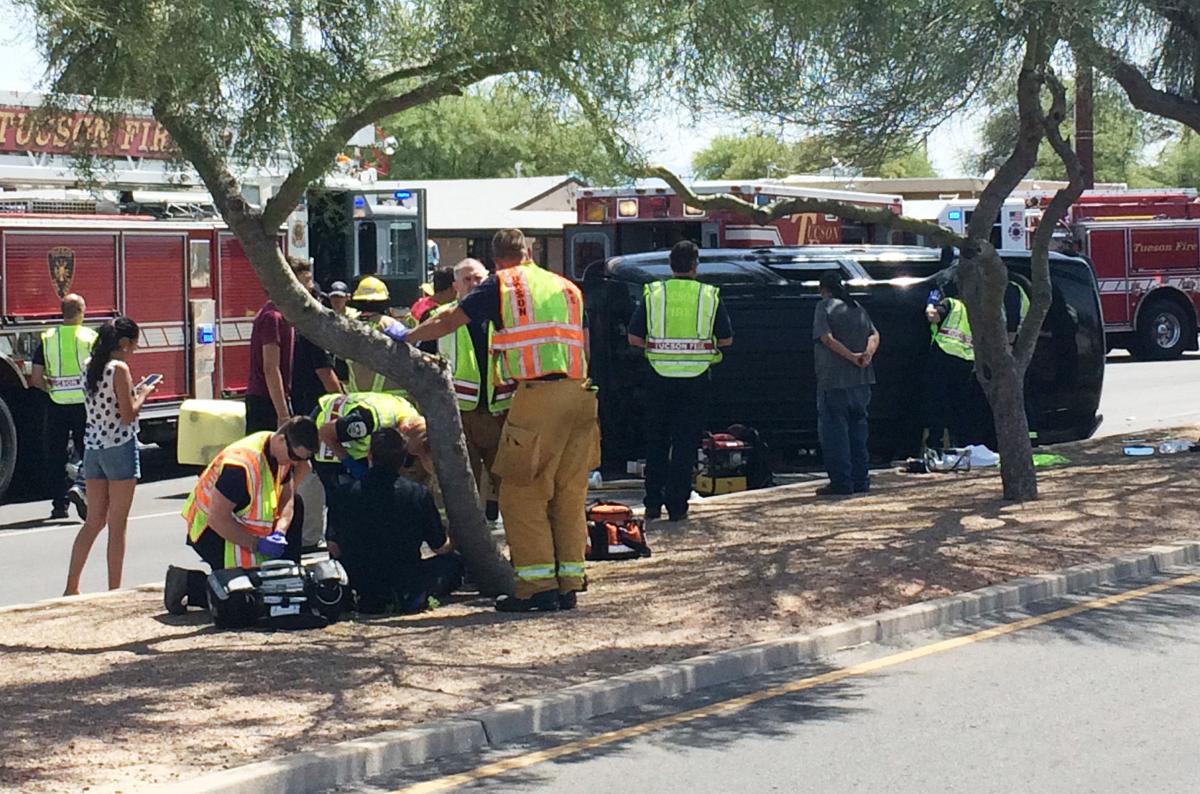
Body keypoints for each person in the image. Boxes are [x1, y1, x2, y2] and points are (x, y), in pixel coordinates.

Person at [399, 228, 597, 613]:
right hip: (581, 393)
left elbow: (447, 322)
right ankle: (569, 581)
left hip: (539, 397)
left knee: (520, 491)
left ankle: (538, 588)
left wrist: (406, 336)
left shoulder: (503, 285)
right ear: (529, 250)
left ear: (495, 260)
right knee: (566, 491)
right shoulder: (566, 287)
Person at [163, 417, 317, 614]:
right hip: (213, 532)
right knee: (241, 598)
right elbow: (218, 519)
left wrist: (280, 531)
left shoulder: (281, 455)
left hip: (249, 529)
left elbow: (288, 499)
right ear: (281, 439)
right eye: (294, 457)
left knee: (299, 506)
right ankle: (188, 583)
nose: (295, 462)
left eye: (301, 459)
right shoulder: (240, 466)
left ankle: (290, 583)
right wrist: (256, 544)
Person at [627, 240, 733, 522]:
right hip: (695, 379)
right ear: (695, 266)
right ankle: (678, 506)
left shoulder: (655, 294)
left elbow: (634, 338)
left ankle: (652, 503)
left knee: (656, 442)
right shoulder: (709, 296)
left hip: (658, 377)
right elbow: (726, 339)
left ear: (671, 265)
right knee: (685, 444)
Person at [63, 317, 157, 595]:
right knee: (117, 525)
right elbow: (127, 414)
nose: (134, 350)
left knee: (93, 521)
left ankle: (72, 586)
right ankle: (114, 590)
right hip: (119, 447)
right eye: (134, 345)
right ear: (124, 343)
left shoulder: (88, 365)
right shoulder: (119, 369)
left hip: (93, 448)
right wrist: (143, 393)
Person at [328, 427, 463, 613]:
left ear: (369, 455)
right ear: (403, 460)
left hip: (360, 585)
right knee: (452, 564)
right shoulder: (417, 494)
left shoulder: (343, 494)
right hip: (404, 582)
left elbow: (333, 547)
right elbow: (439, 547)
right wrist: (455, 537)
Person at [429, 258, 514, 519]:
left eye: (478, 279)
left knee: (510, 487)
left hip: (501, 413)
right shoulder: (439, 318)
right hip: (460, 414)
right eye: (467, 279)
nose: (474, 284)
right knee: (466, 490)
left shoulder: (505, 315)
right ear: (455, 285)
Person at [30, 293, 96, 521]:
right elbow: (101, 373)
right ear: (81, 312)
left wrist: (54, 389)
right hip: (85, 405)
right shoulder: (90, 338)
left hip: (56, 404)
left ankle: (59, 505)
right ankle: (83, 491)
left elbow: (36, 378)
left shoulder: (48, 338)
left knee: (56, 455)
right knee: (88, 451)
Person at [813, 271, 880, 497]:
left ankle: (841, 482)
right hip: (862, 380)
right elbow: (874, 335)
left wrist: (851, 356)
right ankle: (861, 480)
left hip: (834, 381)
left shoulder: (824, 307)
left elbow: (826, 338)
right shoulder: (857, 307)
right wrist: (866, 356)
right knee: (858, 431)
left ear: (823, 289)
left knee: (835, 434)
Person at [312, 390, 419, 495]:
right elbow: (325, 432)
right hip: (319, 434)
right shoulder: (365, 422)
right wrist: (351, 464)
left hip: (348, 442)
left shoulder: (411, 416)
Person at [245, 257, 308, 433]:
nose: (307, 290)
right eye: (303, 284)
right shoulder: (273, 317)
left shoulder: (286, 315)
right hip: (264, 400)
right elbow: (270, 368)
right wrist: (282, 414)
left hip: (274, 398)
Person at [924, 283, 974, 451]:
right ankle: (962, 443)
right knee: (960, 404)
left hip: (944, 355)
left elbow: (933, 317)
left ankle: (935, 444)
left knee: (937, 401)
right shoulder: (972, 308)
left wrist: (931, 303)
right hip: (966, 359)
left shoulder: (951, 303)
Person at [291, 270, 342, 418]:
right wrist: (342, 403)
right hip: (315, 403)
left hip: (298, 398)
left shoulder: (297, 326)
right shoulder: (315, 333)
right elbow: (325, 373)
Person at [345, 276, 405, 394]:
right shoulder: (390, 324)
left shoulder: (349, 325)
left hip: (358, 396)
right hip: (389, 399)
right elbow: (410, 346)